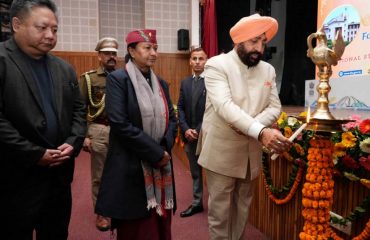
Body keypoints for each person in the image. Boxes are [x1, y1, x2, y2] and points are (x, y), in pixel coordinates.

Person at [197, 14, 292, 240]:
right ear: (237, 41)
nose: (258, 48)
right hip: (221, 151)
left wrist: (253, 127)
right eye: (253, 41)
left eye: (263, 42)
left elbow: (275, 107)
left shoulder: (267, 70)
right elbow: (224, 106)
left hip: (250, 152)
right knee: (220, 213)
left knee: (242, 209)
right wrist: (259, 131)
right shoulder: (216, 65)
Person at [0, 0, 86, 239]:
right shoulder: (3, 61)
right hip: (16, 179)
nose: (50, 35)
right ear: (16, 24)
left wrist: (74, 141)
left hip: (58, 178)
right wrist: (35, 154)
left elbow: (79, 110)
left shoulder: (64, 68)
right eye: (42, 28)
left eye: (55, 29)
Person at [95, 29, 177, 240]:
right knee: (137, 227)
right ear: (132, 51)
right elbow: (120, 123)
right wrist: (156, 153)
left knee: (159, 225)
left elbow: (172, 119)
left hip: (161, 162)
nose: (154, 53)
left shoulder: (162, 84)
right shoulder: (118, 80)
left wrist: (165, 148)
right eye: (147, 48)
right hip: (131, 163)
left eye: (156, 48)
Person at [79, 37, 118, 231]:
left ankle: (117, 207)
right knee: (100, 175)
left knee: (120, 171)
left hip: (120, 131)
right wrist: (84, 136)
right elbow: (79, 108)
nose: (111, 57)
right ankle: (101, 212)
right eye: (107, 53)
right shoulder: (89, 78)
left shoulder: (123, 76)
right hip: (99, 129)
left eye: (114, 53)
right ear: (99, 56)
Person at [177, 46, 207, 217]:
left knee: (212, 174)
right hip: (189, 136)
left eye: (200, 58)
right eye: (194, 58)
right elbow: (180, 107)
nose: (197, 62)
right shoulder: (185, 82)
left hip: (207, 136)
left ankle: (217, 206)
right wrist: (186, 129)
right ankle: (197, 203)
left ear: (206, 61)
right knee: (195, 172)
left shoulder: (212, 81)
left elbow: (212, 110)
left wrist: (198, 130)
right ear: (190, 61)